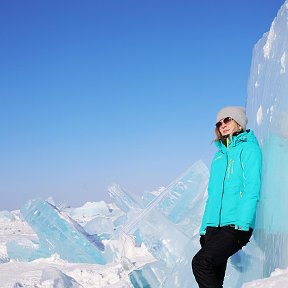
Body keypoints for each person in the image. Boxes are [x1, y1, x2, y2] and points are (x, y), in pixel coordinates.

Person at [192, 106, 262, 288]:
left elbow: (252, 189)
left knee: (200, 263)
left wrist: (242, 224)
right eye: (219, 122)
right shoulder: (218, 157)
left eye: (227, 120)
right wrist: (204, 228)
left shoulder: (249, 149)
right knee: (214, 276)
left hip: (236, 225)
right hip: (213, 227)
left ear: (238, 122)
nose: (222, 125)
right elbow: (213, 196)